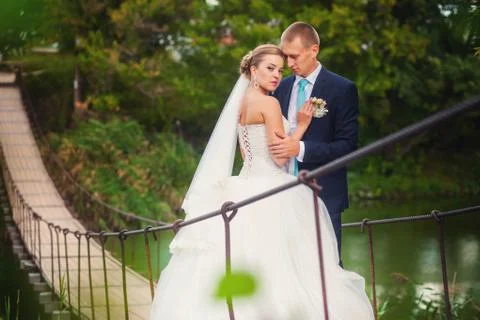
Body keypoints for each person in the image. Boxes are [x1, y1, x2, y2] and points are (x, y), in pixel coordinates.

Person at [149, 44, 373, 319]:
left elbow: (248, 153)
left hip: (244, 183)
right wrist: (302, 125)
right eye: (270, 68)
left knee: (239, 259)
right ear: (253, 70)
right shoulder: (269, 103)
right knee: (282, 267)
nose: (277, 75)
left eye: (280, 70)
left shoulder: (242, 104)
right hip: (271, 186)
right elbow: (279, 157)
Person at [271, 22, 360, 257]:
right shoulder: (280, 87)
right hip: (281, 194)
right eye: (285, 57)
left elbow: (347, 147)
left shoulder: (342, 89)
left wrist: (300, 148)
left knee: (327, 269)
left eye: (295, 56)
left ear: (314, 50)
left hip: (324, 195)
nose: (289, 64)